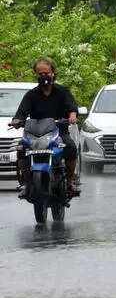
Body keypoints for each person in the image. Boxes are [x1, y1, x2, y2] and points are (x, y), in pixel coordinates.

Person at [9, 58, 80, 196]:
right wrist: (16, 121)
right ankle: (27, 182)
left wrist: (72, 116)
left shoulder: (62, 92)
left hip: (58, 133)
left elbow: (72, 107)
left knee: (70, 147)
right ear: (36, 75)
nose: (44, 76)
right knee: (21, 148)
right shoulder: (31, 94)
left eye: (46, 73)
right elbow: (21, 113)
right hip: (35, 134)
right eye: (40, 73)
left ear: (53, 72)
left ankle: (71, 182)